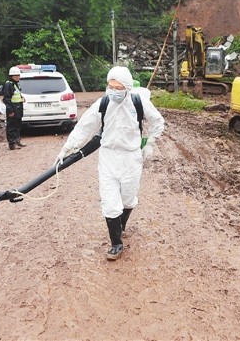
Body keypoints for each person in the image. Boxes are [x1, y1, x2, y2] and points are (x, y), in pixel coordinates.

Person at [54, 66, 165, 260]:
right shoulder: (103, 103)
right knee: (109, 201)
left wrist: (150, 143)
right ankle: (116, 243)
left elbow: (157, 121)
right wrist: (67, 148)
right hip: (108, 157)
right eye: (110, 86)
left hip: (131, 157)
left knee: (128, 198)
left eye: (118, 87)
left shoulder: (139, 103)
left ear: (127, 88)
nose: (113, 90)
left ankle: (121, 225)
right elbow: (84, 126)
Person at [2, 66, 25, 150]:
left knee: (18, 126)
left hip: (18, 107)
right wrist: (10, 111)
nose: (19, 77)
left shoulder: (16, 84)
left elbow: (17, 95)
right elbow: (6, 99)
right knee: (11, 126)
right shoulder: (9, 85)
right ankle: (12, 143)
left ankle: (17, 141)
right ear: (13, 75)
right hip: (13, 108)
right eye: (17, 75)